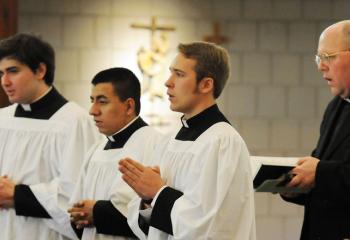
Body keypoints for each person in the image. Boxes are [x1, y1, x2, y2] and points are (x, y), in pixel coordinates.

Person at [119, 41, 256, 240]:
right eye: (170, 72)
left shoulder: (222, 142)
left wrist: (158, 192)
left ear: (206, 84)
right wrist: (148, 198)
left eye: (179, 74)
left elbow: (210, 225)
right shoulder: (171, 141)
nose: (168, 82)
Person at [0, 33, 100, 240]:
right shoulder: (2, 119)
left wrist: (18, 196)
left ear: (40, 70)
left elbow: (77, 196)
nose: (5, 81)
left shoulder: (74, 121)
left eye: (13, 71)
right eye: (1, 73)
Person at [68, 67, 161, 240]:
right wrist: (80, 215)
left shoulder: (154, 144)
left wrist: (96, 212)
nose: (92, 110)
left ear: (128, 106)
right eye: (92, 100)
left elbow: (150, 215)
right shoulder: (96, 149)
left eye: (102, 101)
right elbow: (75, 210)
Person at [282, 20, 350, 239]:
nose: (321, 66)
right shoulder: (336, 106)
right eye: (319, 58)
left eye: (328, 57)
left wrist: (319, 173)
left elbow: (324, 171)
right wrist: (295, 185)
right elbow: (325, 173)